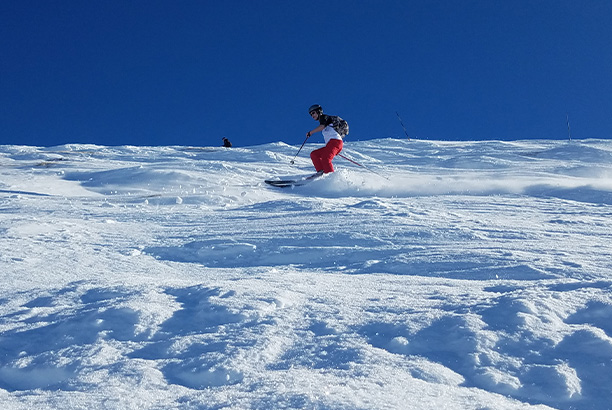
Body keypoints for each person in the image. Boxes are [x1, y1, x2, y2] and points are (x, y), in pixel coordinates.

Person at [306, 104, 348, 174]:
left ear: (319, 111)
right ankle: (321, 172)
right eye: (311, 114)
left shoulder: (324, 117)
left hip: (335, 142)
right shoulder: (325, 122)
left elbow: (322, 126)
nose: (312, 115)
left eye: (313, 113)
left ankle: (330, 177)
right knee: (314, 154)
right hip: (331, 144)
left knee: (325, 158)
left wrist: (311, 132)